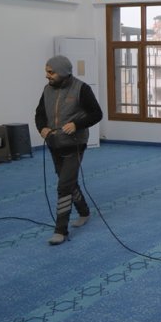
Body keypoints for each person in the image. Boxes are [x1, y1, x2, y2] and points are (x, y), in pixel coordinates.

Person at [35, 55, 103, 245]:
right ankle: (84, 211)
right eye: (46, 71)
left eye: (51, 72)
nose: (47, 75)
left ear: (63, 72)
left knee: (64, 185)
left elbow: (96, 114)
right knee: (68, 182)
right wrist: (42, 128)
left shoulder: (82, 89)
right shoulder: (47, 90)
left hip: (75, 143)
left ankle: (60, 231)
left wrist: (76, 124)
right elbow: (39, 114)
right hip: (54, 143)